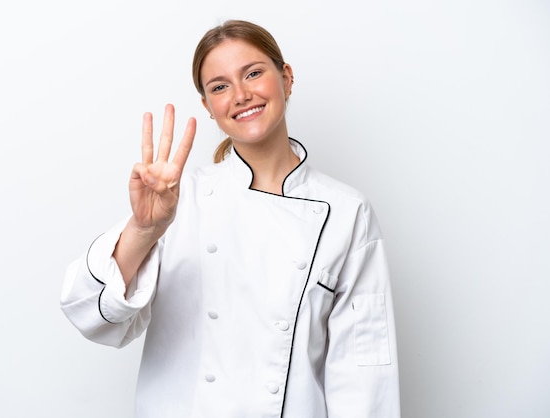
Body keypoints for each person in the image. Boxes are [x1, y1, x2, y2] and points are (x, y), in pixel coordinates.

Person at [61, 19, 400, 418]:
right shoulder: (177, 200)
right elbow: (88, 312)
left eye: (253, 73)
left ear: (286, 78)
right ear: (208, 107)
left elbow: (364, 375)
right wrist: (144, 229)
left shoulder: (347, 213)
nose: (241, 95)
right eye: (219, 86)